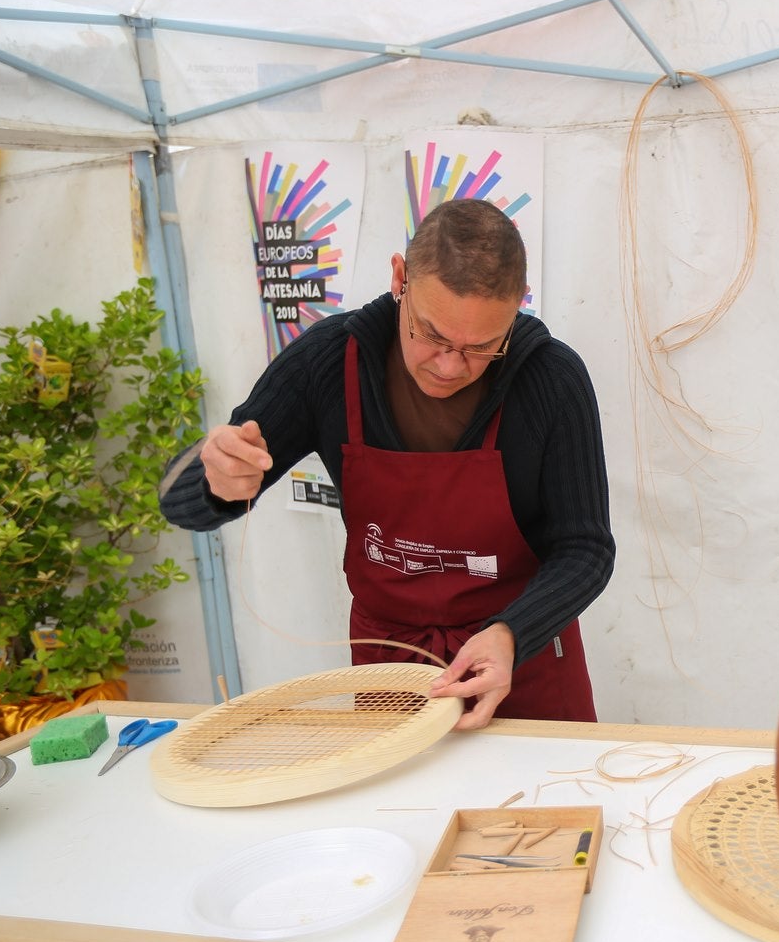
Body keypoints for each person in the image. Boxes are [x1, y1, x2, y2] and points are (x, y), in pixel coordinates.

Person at [159, 199, 615, 730]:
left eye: (482, 347)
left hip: (521, 658)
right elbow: (180, 501)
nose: (449, 366)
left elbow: (586, 547)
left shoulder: (552, 379)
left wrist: (512, 632)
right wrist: (215, 480)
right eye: (432, 335)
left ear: (518, 309)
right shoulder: (329, 363)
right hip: (391, 667)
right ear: (400, 278)